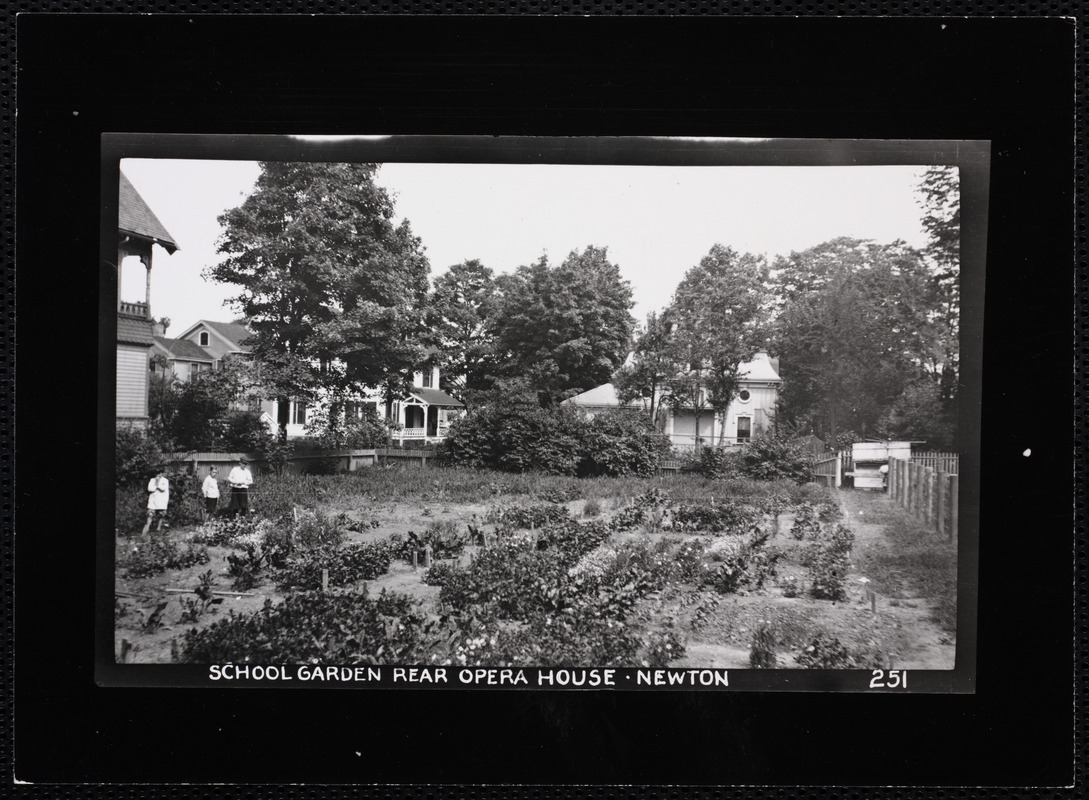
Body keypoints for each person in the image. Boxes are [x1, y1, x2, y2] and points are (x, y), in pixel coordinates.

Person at [141, 468, 170, 536]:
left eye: (160, 473)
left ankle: (158, 529)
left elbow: (163, 488)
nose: (158, 475)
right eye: (157, 474)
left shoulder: (165, 480)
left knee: (161, 515)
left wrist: (157, 484)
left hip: (162, 500)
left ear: (161, 473)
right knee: (150, 514)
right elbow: (150, 489)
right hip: (153, 501)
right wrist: (156, 484)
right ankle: (147, 528)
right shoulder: (152, 480)